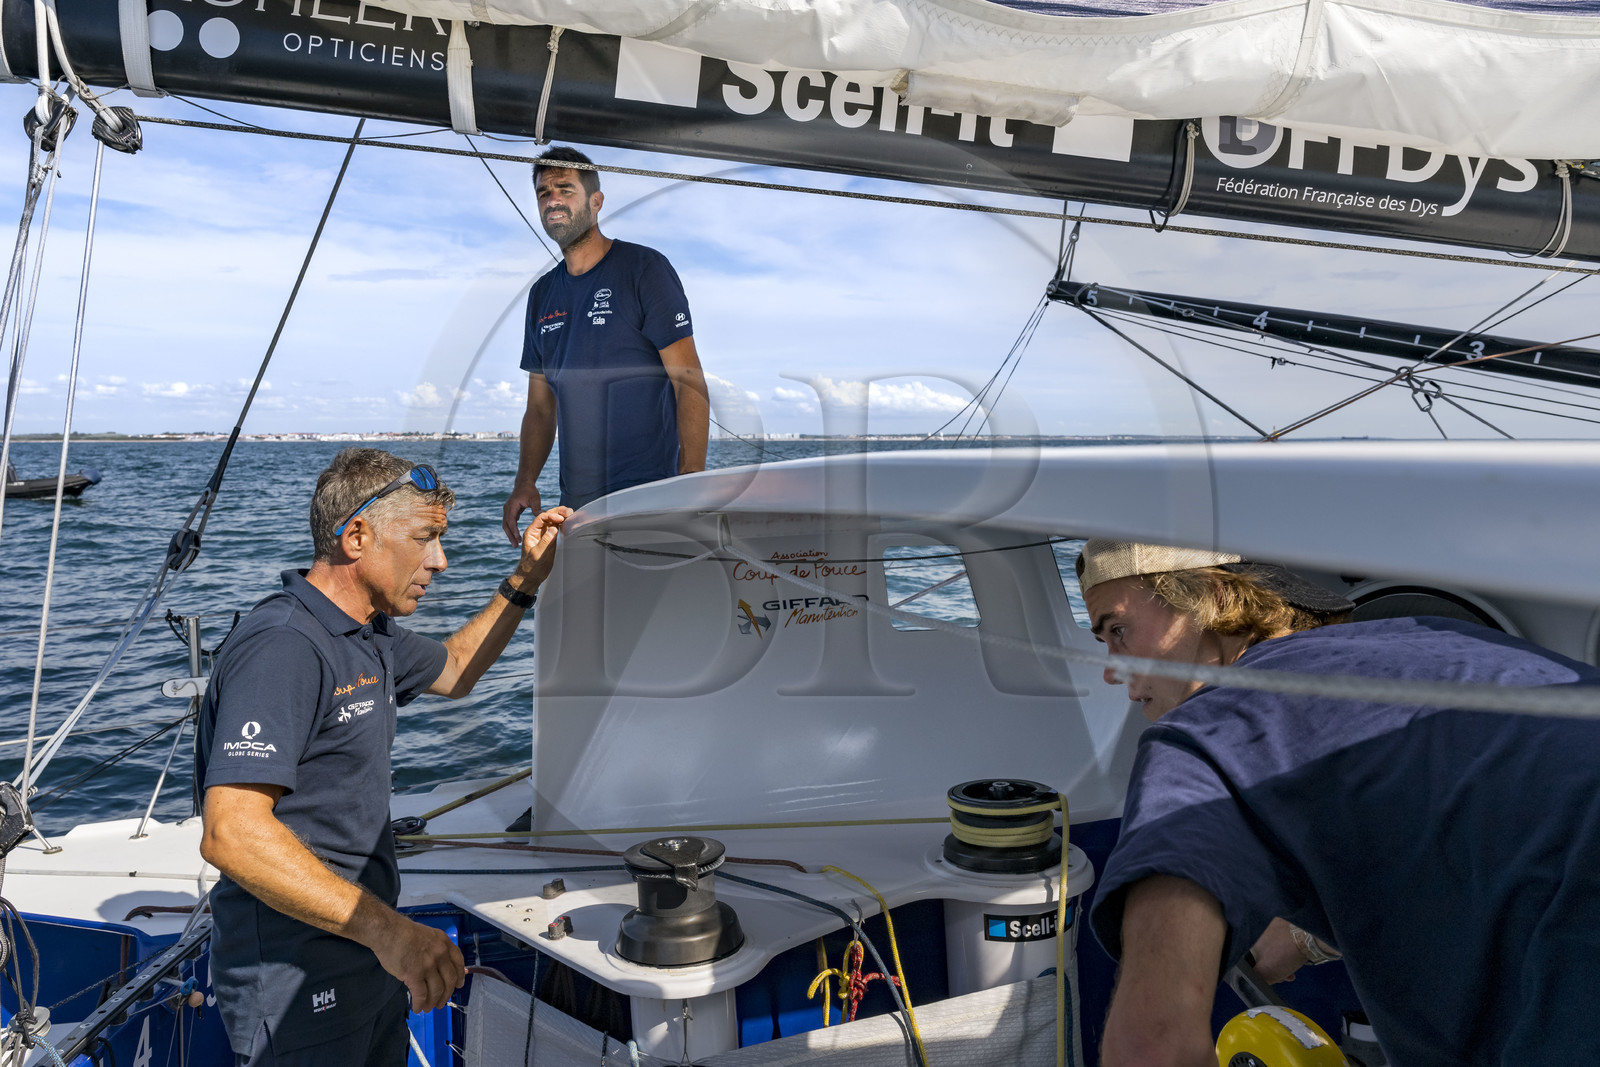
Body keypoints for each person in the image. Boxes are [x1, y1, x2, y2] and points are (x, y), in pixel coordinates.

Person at [1079, 541, 1600, 1067]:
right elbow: (1479, 823)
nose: (1110, 670)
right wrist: (1309, 939)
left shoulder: (1199, 733)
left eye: (1117, 630)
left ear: (1209, 600)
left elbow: (1150, 1045)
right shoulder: (1446, 637)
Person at [195, 448, 572, 1066]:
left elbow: (454, 669)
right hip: (296, 977)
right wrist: (392, 934)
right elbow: (232, 833)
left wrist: (527, 577)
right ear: (357, 535)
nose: (440, 561)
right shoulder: (285, 645)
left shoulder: (366, 632)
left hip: (364, 954)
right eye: (425, 538)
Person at [502, 145, 709, 541]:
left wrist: (692, 480)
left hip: (650, 498)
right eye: (544, 193)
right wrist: (524, 481)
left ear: (595, 202)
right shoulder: (542, 294)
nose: (553, 200)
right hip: (578, 509)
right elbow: (541, 407)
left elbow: (689, 380)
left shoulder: (644, 269)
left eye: (565, 188)